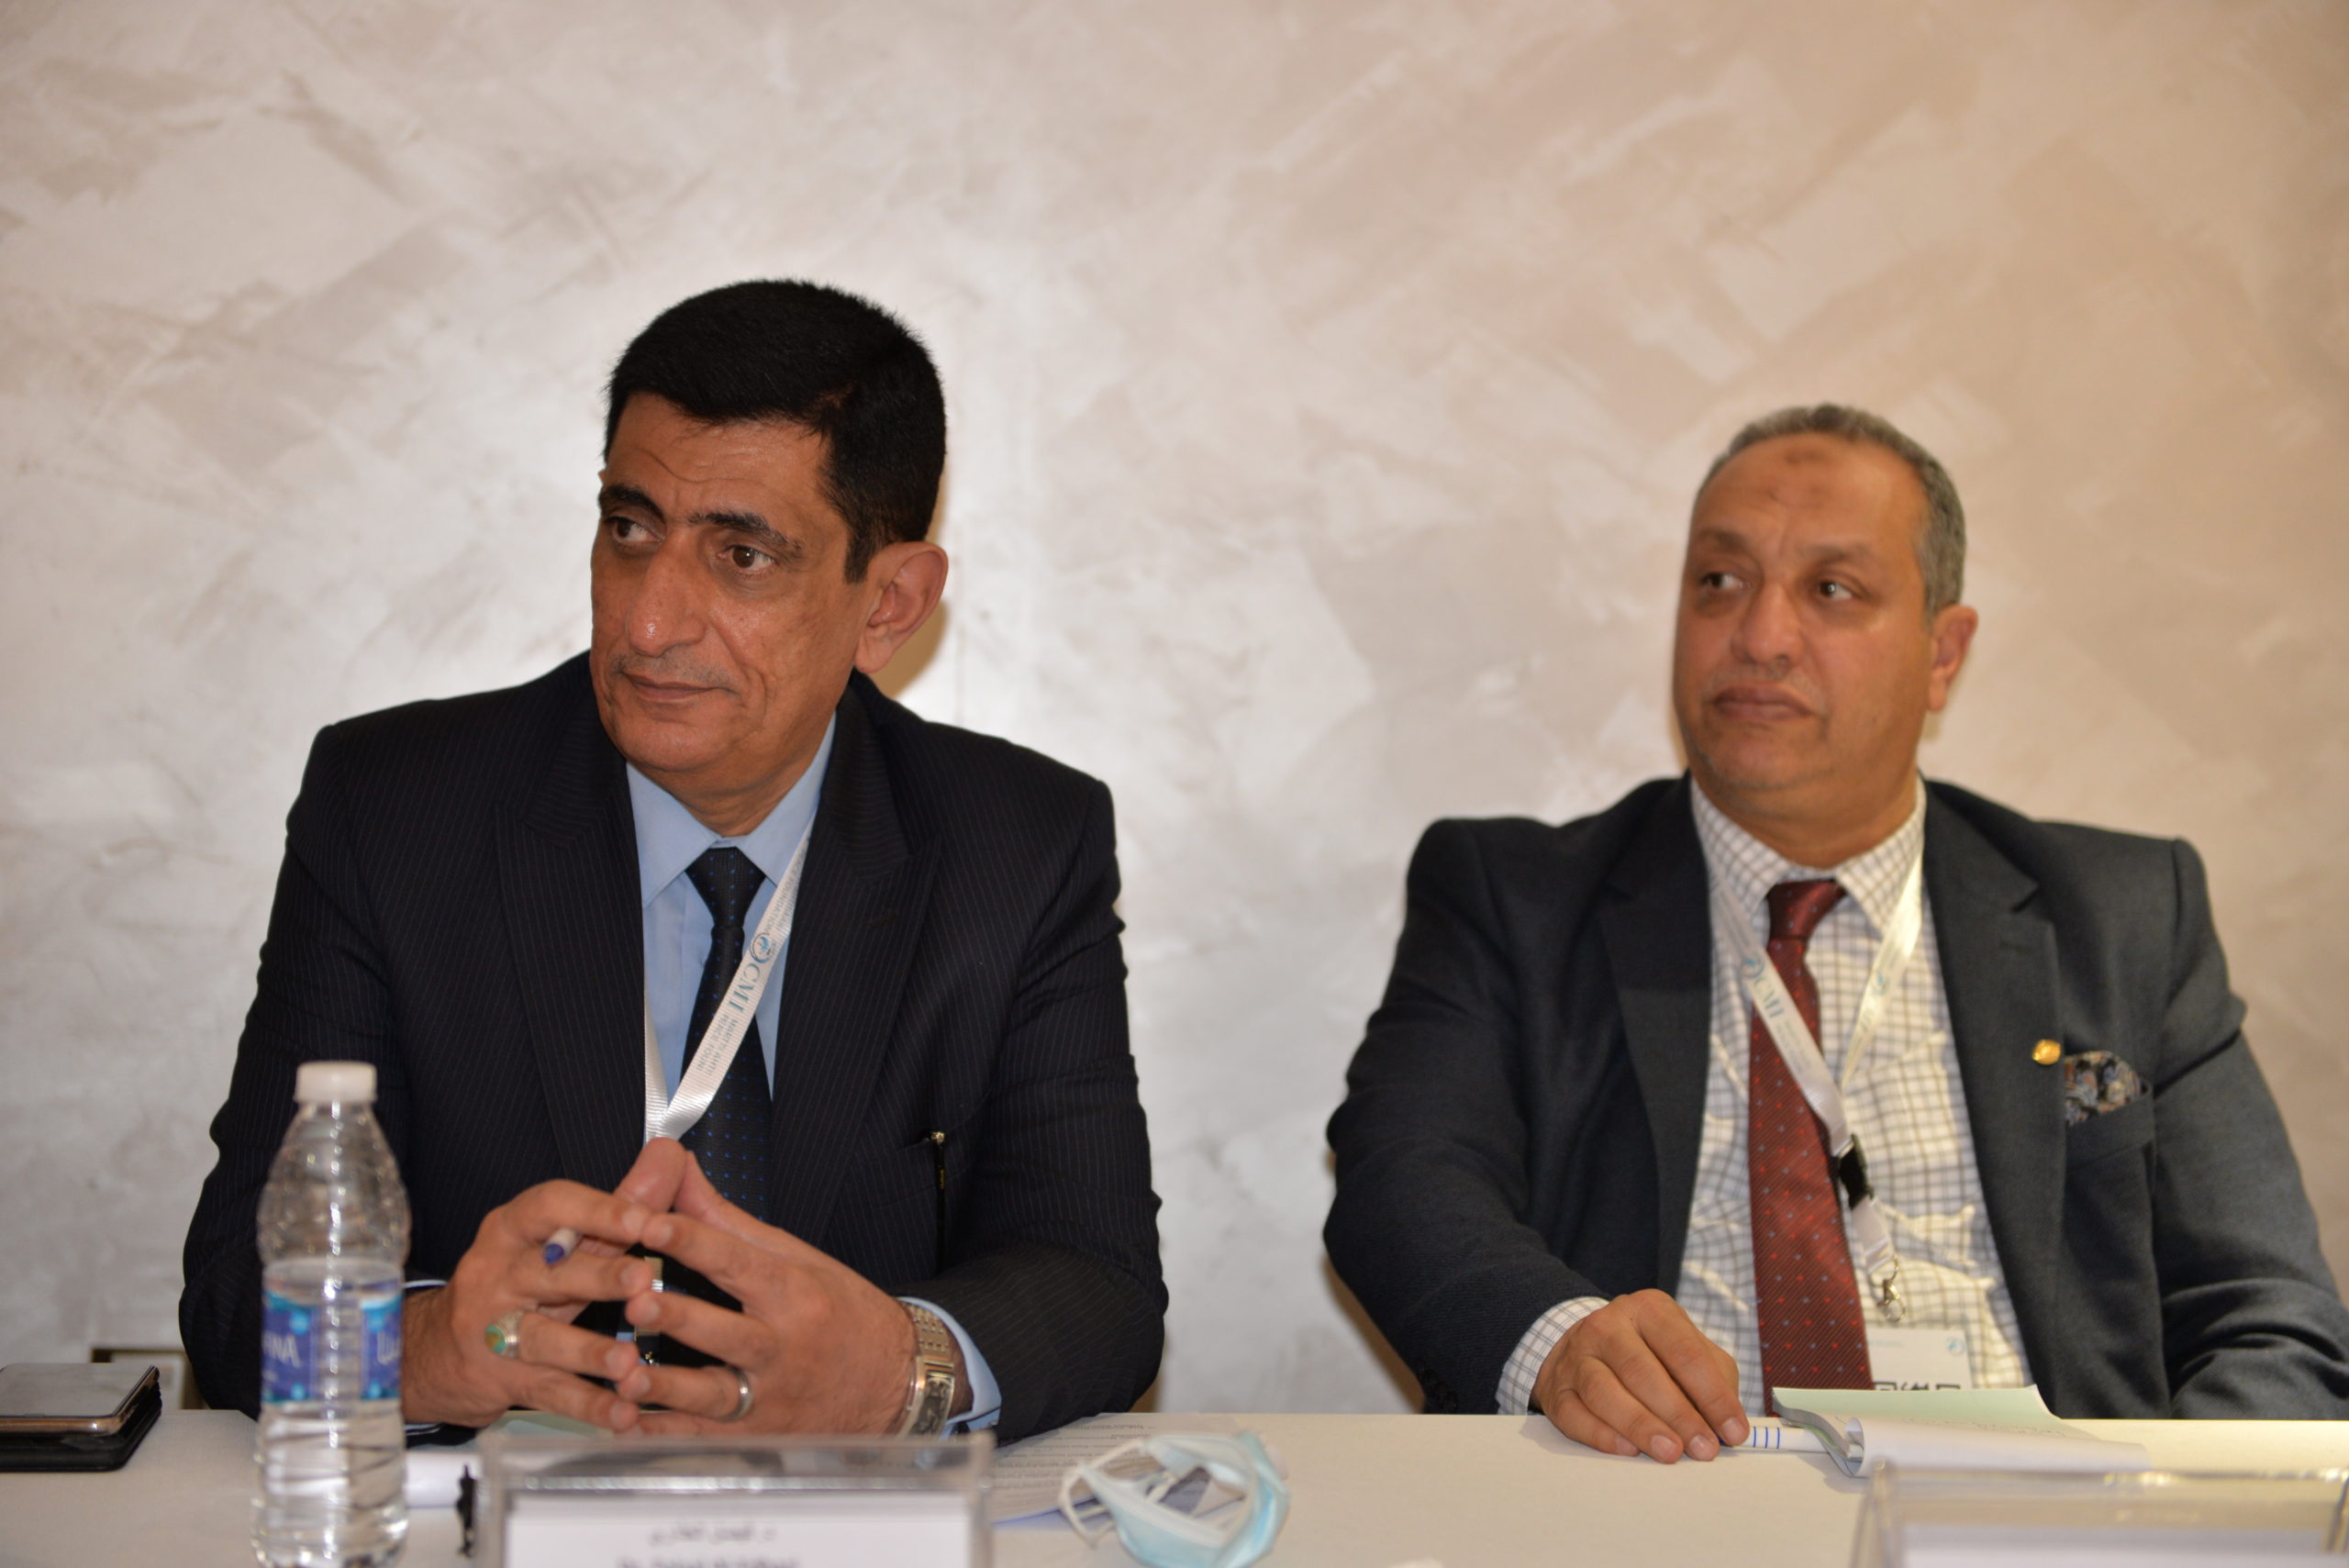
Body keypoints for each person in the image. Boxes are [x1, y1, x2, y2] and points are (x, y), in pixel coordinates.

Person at [183, 280, 1164, 1443]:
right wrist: (433, 1346)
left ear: (889, 604)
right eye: (630, 529)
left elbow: (1098, 1284)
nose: (650, 621)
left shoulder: (1018, 845)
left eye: (742, 555)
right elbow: (238, 1297)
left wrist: (901, 1368)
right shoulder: (394, 812)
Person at [1326, 404, 2349, 1462]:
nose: (1760, 634)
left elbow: (2267, 1310)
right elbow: (1404, 1180)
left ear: (1942, 653)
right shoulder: (1513, 898)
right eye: (1719, 579)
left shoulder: (2123, 912)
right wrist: (1559, 1342)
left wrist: (2167, 1523)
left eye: (1831, 589)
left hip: (2045, 1513)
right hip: (1659, 1497)